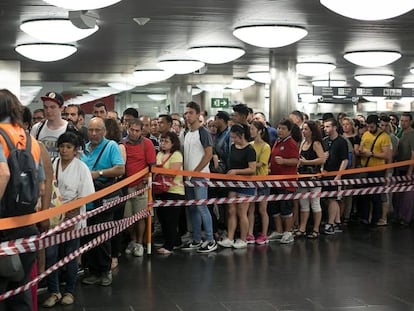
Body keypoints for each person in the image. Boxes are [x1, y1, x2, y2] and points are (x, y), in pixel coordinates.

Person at [0, 89, 44, 311]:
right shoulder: (31, 140)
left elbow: (3, 173)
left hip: (3, 225)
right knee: (21, 289)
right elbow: (41, 183)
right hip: (26, 224)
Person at [42, 132, 94, 307]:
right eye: (62, 146)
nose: (64, 150)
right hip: (53, 216)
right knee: (51, 255)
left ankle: (70, 291)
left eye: (68, 147)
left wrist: (70, 214)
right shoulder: (52, 164)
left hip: (73, 217)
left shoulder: (81, 168)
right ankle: (53, 291)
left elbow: (87, 195)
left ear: (75, 149)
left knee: (71, 255)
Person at [80, 117, 125, 286]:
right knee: (88, 237)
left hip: (103, 199)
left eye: (97, 130)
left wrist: (98, 173)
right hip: (87, 201)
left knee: (102, 236)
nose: (93, 133)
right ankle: (93, 271)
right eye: (90, 130)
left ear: (104, 131)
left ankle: (105, 271)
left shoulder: (111, 146)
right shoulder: (83, 149)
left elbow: (120, 169)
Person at [181, 101, 217, 253]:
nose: (187, 116)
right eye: (186, 113)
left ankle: (210, 239)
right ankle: (196, 238)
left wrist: (195, 172)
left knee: (202, 207)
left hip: (199, 176)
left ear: (197, 114)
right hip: (189, 176)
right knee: (192, 209)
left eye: (190, 113)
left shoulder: (204, 132)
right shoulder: (186, 133)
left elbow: (208, 154)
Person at [218, 124, 256, 249]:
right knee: (231, 210)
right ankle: (230, 237)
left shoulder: (250, 150)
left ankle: (243, 239)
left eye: (235, 137)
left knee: (242, 212)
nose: (233, 140)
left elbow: (252, 169)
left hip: (246, 184)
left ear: (242, 135)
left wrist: (236, 171)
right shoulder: (233, 147)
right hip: (233, 184)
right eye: (232, 137)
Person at [122, 118, 156, 257]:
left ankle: (140, 243)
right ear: (127, 128)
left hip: (140, 186)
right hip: (125, 186)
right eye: (131, 130)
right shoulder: (122, 143)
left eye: (137, 130)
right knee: (127, 219)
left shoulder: (147, 143)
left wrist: (144, 182)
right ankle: (133, 240)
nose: (134, 133)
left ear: (141, 131)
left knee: (140, 217)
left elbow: (152, 166)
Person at [268, 119, 299, 244]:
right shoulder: (277, 141)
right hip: (274, 180)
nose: (280, 130)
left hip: (286, 182)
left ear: (289, 131)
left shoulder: (291, 143)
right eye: (279, 128)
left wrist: (284, 161)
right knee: (274, 207)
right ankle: (279, 231)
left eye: (283, 128)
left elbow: (296, 161)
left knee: (286, 208)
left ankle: (288, 232)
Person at [358, 114, 391, 228]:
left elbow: (386, 155)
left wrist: (371, 154)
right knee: (365, 196)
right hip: (365, 168)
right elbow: (361, 147)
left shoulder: (384, 137)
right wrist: (360, 151)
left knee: (376, 196)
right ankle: (365, 217)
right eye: (368, 127)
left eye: (372, 127)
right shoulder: (366, 134)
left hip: (377, 170)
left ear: (377, 125)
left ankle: (375, 219)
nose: (369, 129)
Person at [155, 131, 185, 254]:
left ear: (173, 143)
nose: (163, 144)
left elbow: (173, 172)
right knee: (162, 218)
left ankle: (169, 246)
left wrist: (158, 171)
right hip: (160, 190)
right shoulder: (159, 154)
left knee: (171, 219)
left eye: (166, 141)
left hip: (174, 191)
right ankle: (175, 241)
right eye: (161, 141)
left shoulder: (177, 155)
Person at [296, 121, 325, 239]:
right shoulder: (303, 143)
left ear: (312, 131)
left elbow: (322, 159)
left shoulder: (316, 143)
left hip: (314, 177)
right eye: (303, 129)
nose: (303, 131)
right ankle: (302, 227)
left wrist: (306, 162)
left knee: (315, 203)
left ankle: (316, 228)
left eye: (306, 129)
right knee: (303, 204)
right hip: (303, 177)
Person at [322, 118, 349, 234]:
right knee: (330, 199)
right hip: (326, 173)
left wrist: (339, 175)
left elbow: (345, 160)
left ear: (334, 127)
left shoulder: (342, 142)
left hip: (335, 174)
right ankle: (337, 221)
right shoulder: (325, 141)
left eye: (328, 126)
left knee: (332, 199)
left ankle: (331, 223)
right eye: (324, 127)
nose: (325, 129)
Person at [247, 121, 270, 245]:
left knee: (262, 209)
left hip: (262, 181)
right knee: (250, 208)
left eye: (252, 129)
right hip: (251, 180)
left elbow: (262, 163)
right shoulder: (249, 145)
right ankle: (250, 233)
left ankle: (264, 234)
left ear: (260, 131)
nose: (250, 131)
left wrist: (249, 165)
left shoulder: (265, 146)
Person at [31, 92, 68, 159]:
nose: (48, 111)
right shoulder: (36, 128)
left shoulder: (69, 129)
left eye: (52, 107)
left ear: (62, 108)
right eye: (45, 107)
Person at [393, 112, 414, 225]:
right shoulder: (401, 133)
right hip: (399, 166)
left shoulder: (412, 134)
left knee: (408, 196)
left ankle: (406, 218)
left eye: (406, 121)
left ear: (410, 122)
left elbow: (413, 154)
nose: (403, 123)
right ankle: (399, 215)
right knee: (398, 194)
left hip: (408, 168)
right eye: (402, 120)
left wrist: (410, 171)